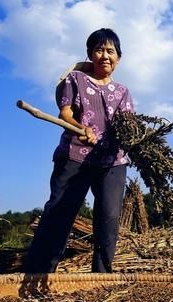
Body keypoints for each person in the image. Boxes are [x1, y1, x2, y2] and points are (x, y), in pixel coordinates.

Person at [26, 28, 133, 273]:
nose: (105, 56)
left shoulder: (123, 92)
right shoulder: (76, 79)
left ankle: (102, 276)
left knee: (109, 218)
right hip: (75, 155)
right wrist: (80, 127)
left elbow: (129, 126)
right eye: (99, 50)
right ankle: (38, 271)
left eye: (110, 51)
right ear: (89, 54)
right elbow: (65, 113)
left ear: (118, 58)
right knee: (59, 211)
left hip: (113, 161)